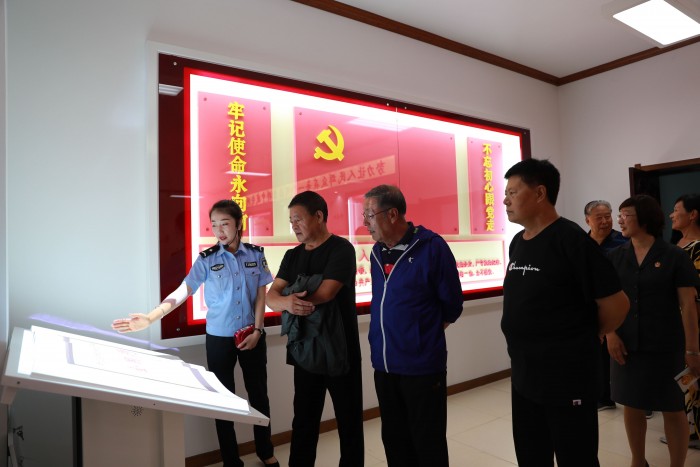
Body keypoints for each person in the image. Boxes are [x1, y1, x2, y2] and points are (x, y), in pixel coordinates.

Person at [112, 200, 279, 467]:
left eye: (225, 223)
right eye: (214, 225)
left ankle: (265, 451)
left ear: (239, 224)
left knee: (259, 394)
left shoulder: (255, 254)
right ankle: (231, 460)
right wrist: (151, 317)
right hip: (219, 339)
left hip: (253, 334)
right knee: (223, 400)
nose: (219, 230)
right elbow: (183, 291)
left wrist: (258, 330)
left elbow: (261, 295)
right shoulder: (207, 259)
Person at [500, 159, 629, 467]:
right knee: (531, 455)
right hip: (525, 375)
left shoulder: (571, 240)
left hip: (566, 378)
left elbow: (617, 304)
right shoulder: (518, 242)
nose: (505, 200)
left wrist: (585, 333)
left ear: (539, 193)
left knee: (576, 457)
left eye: (512, 192)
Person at [363, 184, 463, 467]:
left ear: (392, 214)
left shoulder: (431, 247)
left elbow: (452, 304)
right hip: (384, 365)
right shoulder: (377, 252)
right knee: (395, 439)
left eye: (369, 215)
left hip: (421, 367)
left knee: (427, 442)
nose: (365, 222)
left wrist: (421, 335)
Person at [265, 191, 364, 467]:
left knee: (349, 421)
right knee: (304, 421)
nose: (294, 226)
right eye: (290, 221)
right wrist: (287, 301)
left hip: (340, 350)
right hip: (305, 351)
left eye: (298, 219)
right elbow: (272, 296)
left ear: (318, 216)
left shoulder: (341, 249)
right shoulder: (292, 255)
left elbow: (326, 293)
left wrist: (289, 300)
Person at [607, 194, 700, 467]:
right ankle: (638, 461)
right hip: (626, 346)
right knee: (632, 404)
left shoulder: (674, 256)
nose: (619, 220)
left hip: (667, 346)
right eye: (619, 215)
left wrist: (693, 350)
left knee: (673, 407)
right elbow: (606, 301)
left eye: (625, 215)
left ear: (645, 218)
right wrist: (611, 334)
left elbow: (688, 305)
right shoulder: (615, 257)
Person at [660, 193, 700, 449]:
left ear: (693, 214)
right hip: (675, 325)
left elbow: (695, 297)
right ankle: (688, 430)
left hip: (692, 324)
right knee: (685, 379)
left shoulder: (697, 247)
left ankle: (693, 433)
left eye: (676, 210)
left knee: (693, 375)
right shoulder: (678, 244)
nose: (672, 214)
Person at [584, 199, 629, 413]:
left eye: (607, 216)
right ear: (588, 220)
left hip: (620, 305)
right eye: (599, 217)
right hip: (591, 307)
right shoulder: (581, 244)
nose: (604, 221)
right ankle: (604, 397)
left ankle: (639, 402)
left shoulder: (623, 242)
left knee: (624, 352)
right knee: (597, 354)